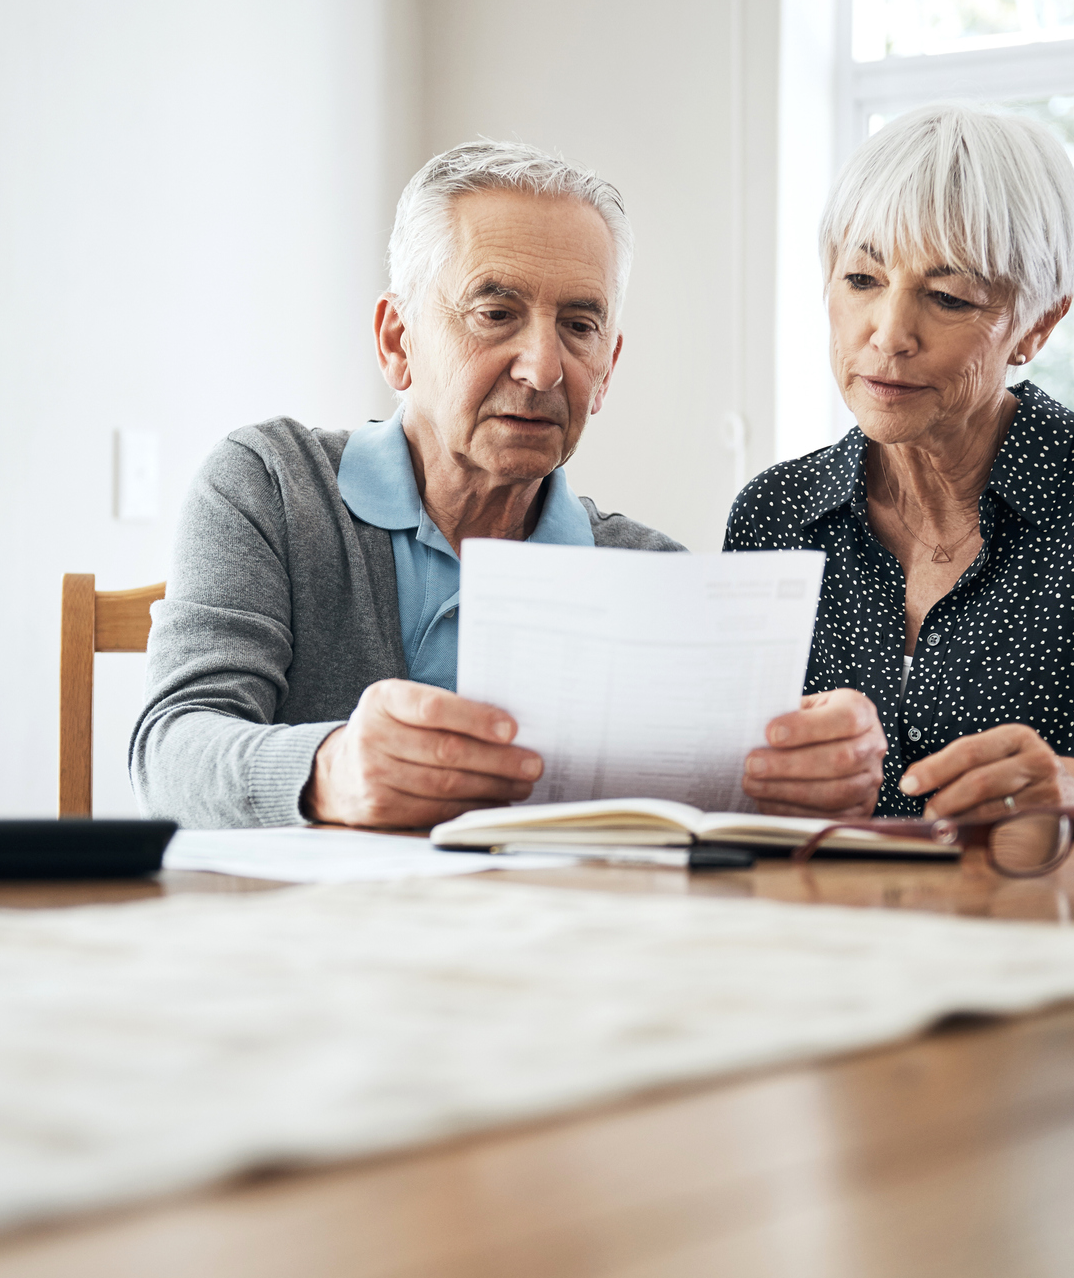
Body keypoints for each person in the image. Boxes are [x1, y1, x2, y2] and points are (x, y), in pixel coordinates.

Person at [134, 142, 889, 829]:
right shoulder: (269, 483)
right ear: (397, 343)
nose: (542, 367)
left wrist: (814, 774)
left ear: (607, 369)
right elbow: (171, 751)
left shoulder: (656, 573)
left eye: (579, 325)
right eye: (494, 314)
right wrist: (329, 771)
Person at [725, 105, 1074, 841]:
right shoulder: (774, 513)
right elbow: (727, 794)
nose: (887, 335)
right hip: (845, 932)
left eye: (947, 297)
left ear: (1037, 324)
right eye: (860, 278)